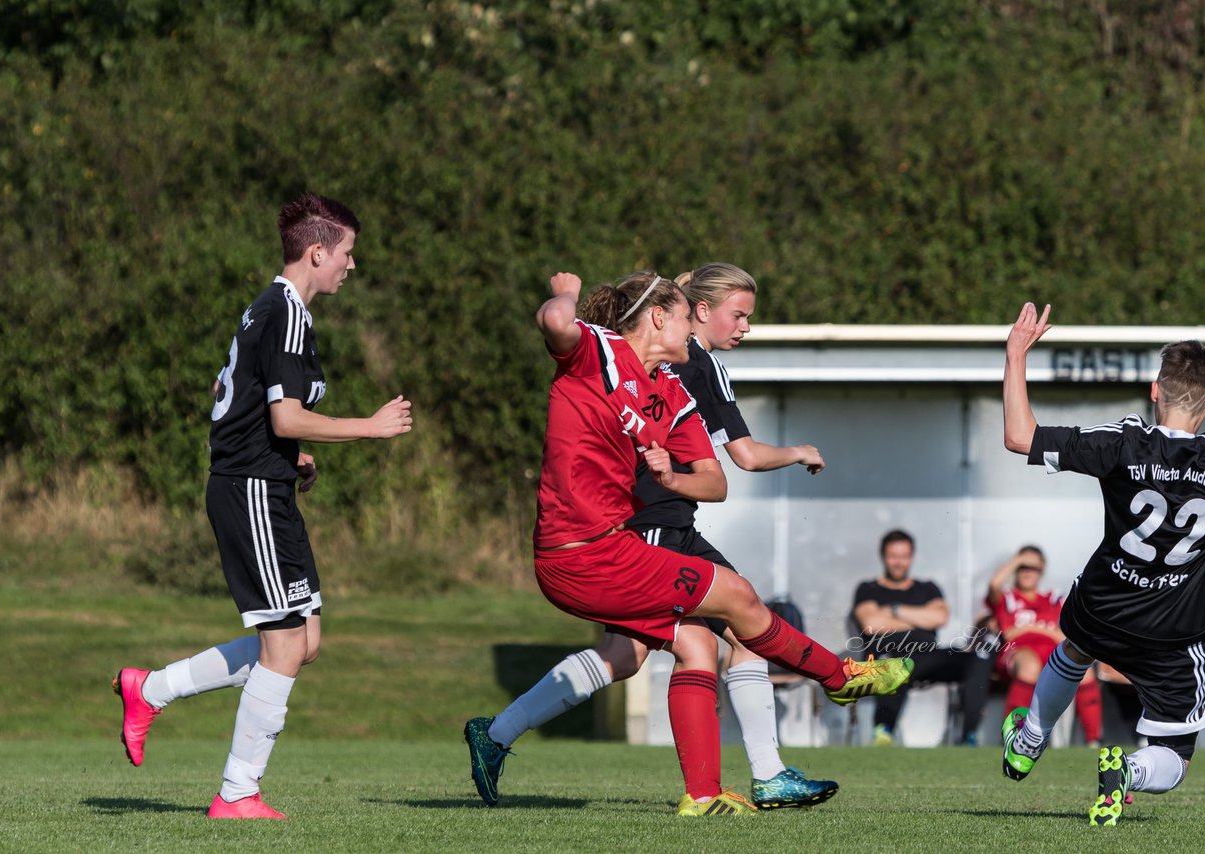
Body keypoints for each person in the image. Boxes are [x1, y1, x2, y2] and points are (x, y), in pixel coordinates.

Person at [468, 270, 912, 816]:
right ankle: (837, 678)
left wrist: (672, 477)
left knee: (694, 645)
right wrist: (568, 286)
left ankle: (702, 795)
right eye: (686, 314)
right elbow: (556, 319)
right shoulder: (599, 353)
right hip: (583, 552)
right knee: (735, 603)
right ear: (661, 318)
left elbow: (718, 480)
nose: (698, 327)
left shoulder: (672, 392)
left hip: (613, 549)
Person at [112, 194, 414, 819]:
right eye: (348, 254)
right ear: (318, 251)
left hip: (263, 482)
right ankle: (237, 793)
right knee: (282, 647)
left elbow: (255, 407)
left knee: (304, 641)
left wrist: (292, 457)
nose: (351, 267)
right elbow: (285, 414)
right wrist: (371, 426)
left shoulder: (273, 309)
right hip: (249, 489)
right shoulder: (286, 314)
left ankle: (152, 688)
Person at [1000, 302, 1205, 827]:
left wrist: (1016, 354)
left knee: (1074, 648)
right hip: (1172, 633)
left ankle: (1028, 740)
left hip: (1102, 604)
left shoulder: (1124, 442)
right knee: (1175, 758)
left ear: (1155, 390)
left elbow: (1020, 437)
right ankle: (1127, 772)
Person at [851, 529, 993, 746]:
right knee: (895, 664)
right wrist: (919, 618)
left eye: (904, 556)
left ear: (912, 557)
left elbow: (940, 617)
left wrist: (893, 610)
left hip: (929, 657)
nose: (899, 562)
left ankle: (969, 735)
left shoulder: (927, 588)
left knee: (980, 657)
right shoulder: (868, 589)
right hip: (888, 656)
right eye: (893, 556)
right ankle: (883, 730)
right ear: (883, 557)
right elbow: (872, 625)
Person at [987, 546, 1102, 746]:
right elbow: (995, 589)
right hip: (1018, 654)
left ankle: (1093, 741)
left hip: (1049, 653)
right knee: (1030, 666)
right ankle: (1014, 736)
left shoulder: (1053, 598)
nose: (1027, 571)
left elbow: (1064, 635)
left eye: (1033, 567)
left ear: (1042, 570)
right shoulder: (1008, 598)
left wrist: (1028, 628)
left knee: (1086, 672)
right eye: (1023, 566)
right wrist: (1018, 559)